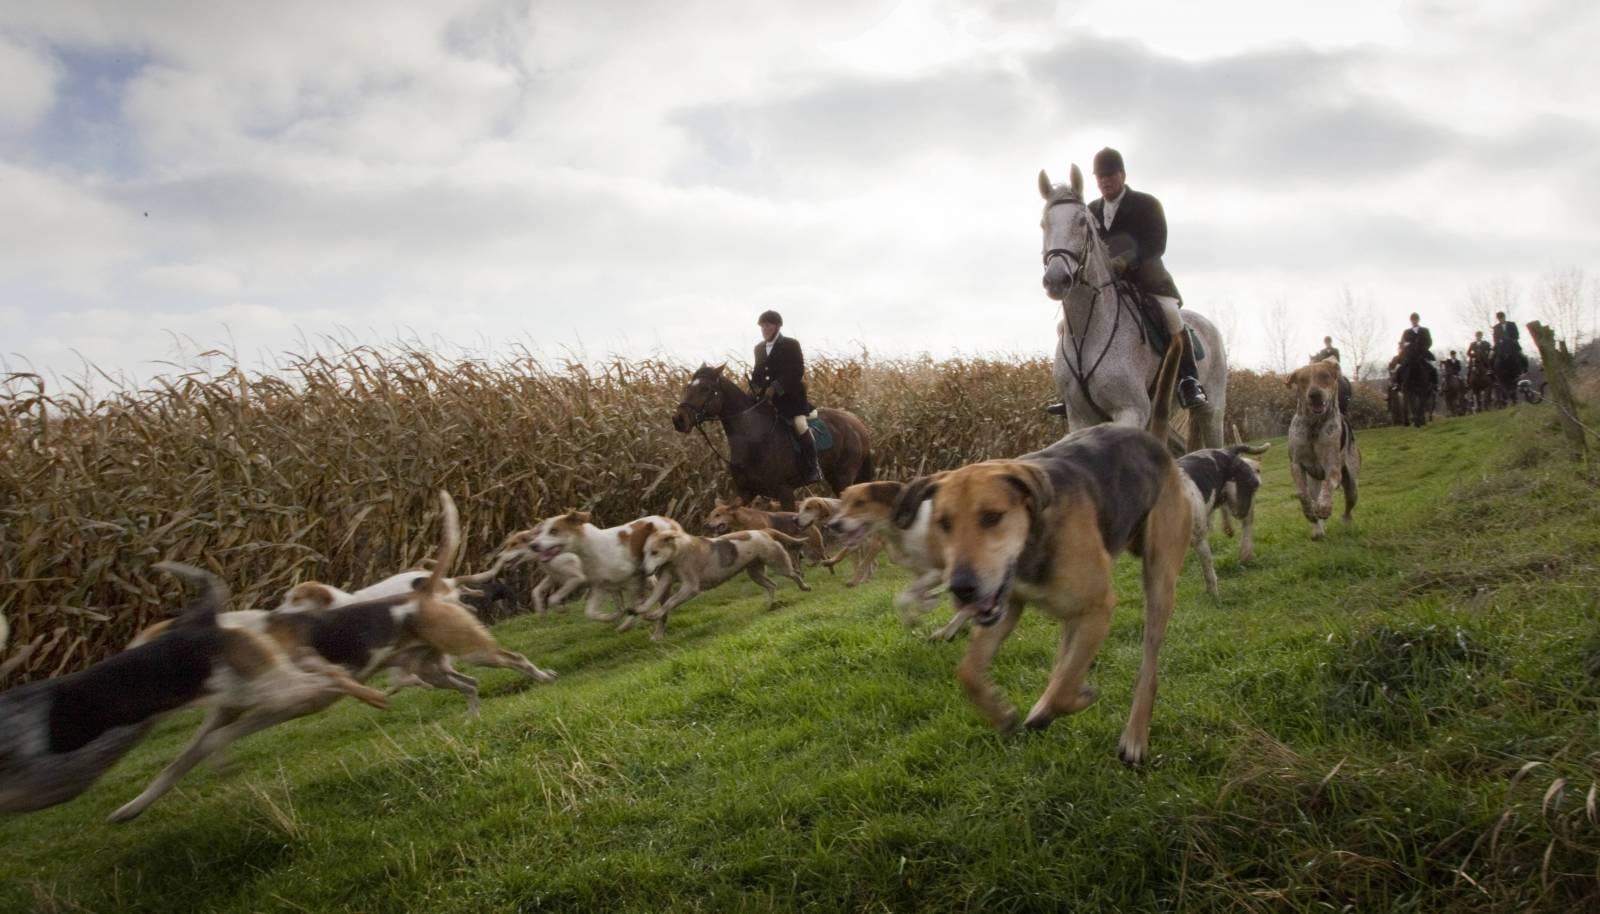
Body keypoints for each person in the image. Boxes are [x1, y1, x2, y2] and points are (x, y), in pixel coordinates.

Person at [1087, 147, 1207, 408]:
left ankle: (1189, 380)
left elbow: (1156, 243)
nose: (1105, 181)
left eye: (1110, 175)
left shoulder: (1146, 204)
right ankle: (1078, 386)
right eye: (1100, 176)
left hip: (1146, 276)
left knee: (1170, 313)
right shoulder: (1091, 210)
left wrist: (1126, 261)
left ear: (1122, 175)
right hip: (1108, 285)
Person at [749, 310, 822, 484]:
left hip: (790, 398)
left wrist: (775, 388)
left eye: (768, 325)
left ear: (777, 326)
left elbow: (796, 371)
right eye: (762, 326)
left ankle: (814, 467)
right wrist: (755, 386)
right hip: (766, 400)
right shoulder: (759, 348)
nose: (764, 329)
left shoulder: (791, 344)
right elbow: (757, 372)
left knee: (799, 424)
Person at [1392, 312, 1438, 389]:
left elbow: (1429, 342)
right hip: (1410, 355)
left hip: (1422, 354)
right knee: (1399, 368)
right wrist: (1405, 347)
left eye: (1415, 319)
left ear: (1418, 320)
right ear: (1411, 321)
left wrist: (1423, 349)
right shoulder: (1406, 332)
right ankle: (1398, 384)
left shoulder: (1425, 330)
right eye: (1412, 320)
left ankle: (1435, 385)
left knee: (1433, 368)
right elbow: (1403, 343)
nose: (1414, 321)